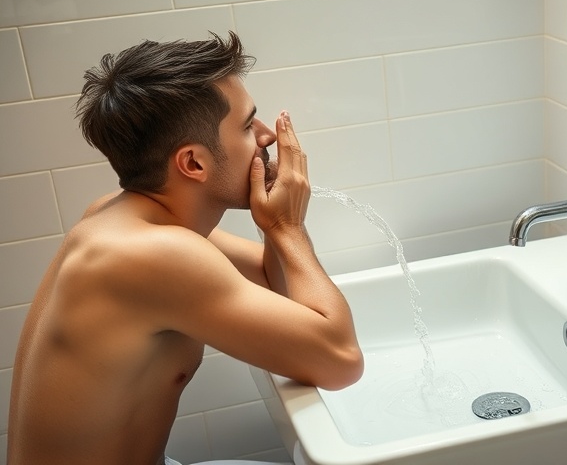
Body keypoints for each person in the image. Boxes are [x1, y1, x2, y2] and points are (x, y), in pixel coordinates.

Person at [7, 32, 364, 465]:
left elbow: (276, 286)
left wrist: (275, 222)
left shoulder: (130, 221)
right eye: (247, 125)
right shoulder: (147, 255)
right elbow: (341, 362)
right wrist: (286, 226)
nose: (267, 135)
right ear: (193, 163)